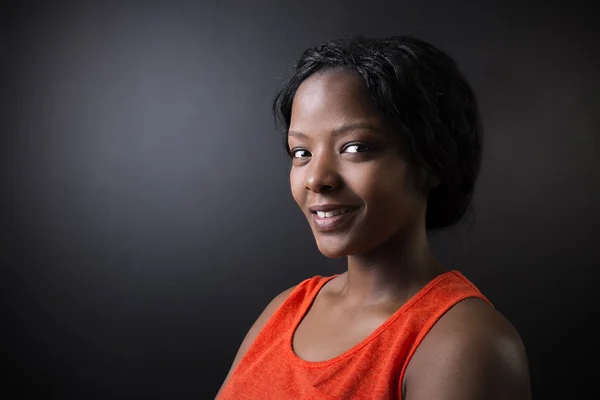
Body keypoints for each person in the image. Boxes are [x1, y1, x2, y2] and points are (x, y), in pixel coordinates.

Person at [215, 35, 531, 399]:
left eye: (355, 148)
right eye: (301, 152)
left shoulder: (465, 343)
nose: (317, 178)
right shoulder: (285, 310)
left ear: (432, 161)